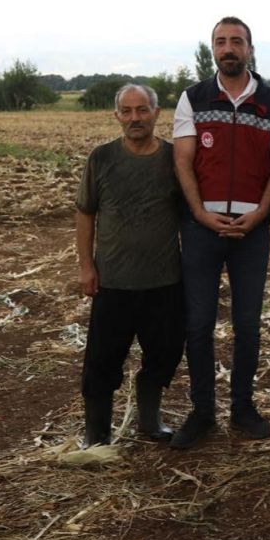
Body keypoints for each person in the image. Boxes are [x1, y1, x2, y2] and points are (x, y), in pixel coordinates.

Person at [169, 17, 270, 449]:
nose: (228, 48)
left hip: (251, 231)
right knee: (199, 324)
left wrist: (261, 213)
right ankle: (202, 412)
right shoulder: (192, 99)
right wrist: (200, 213)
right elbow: (183, 162)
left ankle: (243, 407)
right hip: (201, 229)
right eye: (221, 41)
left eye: (236, 41)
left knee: (248, 325)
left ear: (250, 49)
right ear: (212, 50)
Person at [75, 83, 184, 446]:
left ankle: (150, 423)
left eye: (142, 110)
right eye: (127, 111)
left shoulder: (174, 159)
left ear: (157, 113)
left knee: (164, 354)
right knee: (102, 362)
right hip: (114, 282)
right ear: (117, 115)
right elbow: (85, 213)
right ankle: (97, 435)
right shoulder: (101, 158)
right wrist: (87, 267)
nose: (135, 118)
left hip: (164, 281)